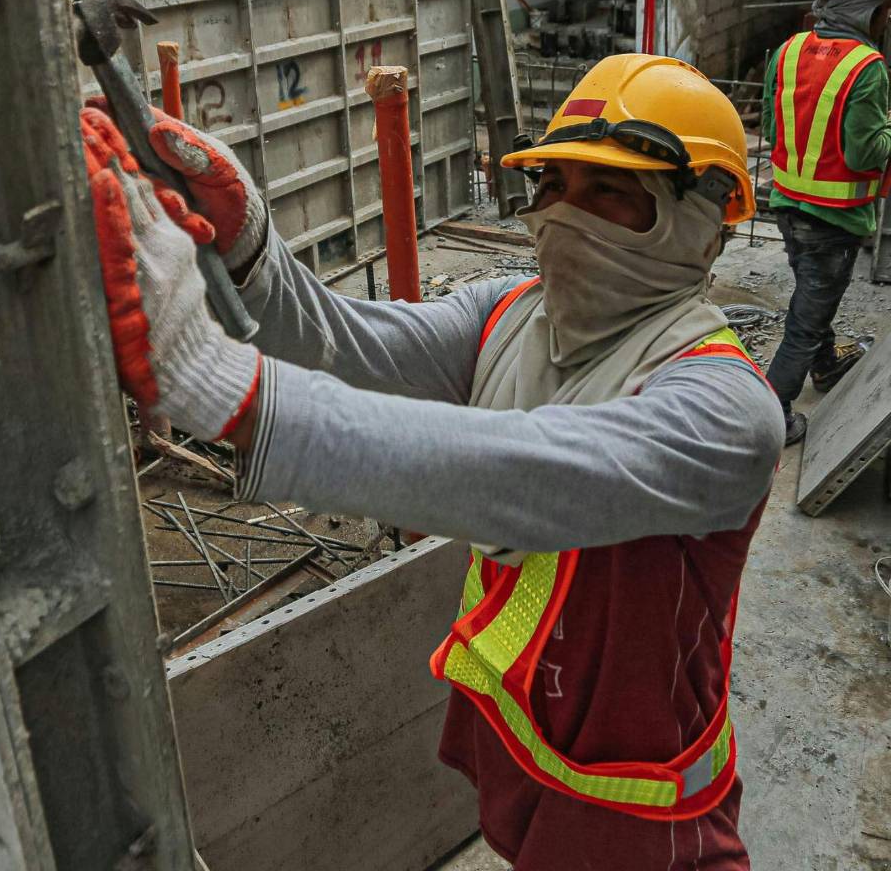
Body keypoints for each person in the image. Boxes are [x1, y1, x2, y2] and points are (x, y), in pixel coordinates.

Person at [81, 52, 782, 871]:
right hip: (525, 754)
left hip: (649, 814)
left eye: (609, 194)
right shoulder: (510, 314)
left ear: (702, 220)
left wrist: (226, 388)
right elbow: (354, 347)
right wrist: (248, 249)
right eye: (552, 186)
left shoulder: (727, 411)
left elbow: (528, 478)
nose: (563, 215)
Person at [763, 0, 891, 447]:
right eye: (885, 7)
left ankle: (825, 366)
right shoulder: (867, 67)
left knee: (812, 299)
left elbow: (773, 132)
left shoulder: (790, 51)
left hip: (787, 207)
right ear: (868, 7)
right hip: (833, 219)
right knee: (806, 317)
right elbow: (866, 154)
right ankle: (772, 411)